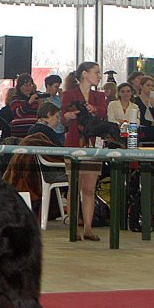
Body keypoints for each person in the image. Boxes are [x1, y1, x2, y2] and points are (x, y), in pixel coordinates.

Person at [60, 61, 106, 241]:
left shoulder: (99, 96)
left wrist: (95, 110)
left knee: (89, 188)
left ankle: (88, 227)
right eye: (97, 72)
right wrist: (68, 116)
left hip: (93, 146)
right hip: (74, 144)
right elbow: (63, 118)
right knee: (74, 186)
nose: (99, 75)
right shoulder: (69, 94)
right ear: (85, 74)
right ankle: (74, 226)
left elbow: (103, 114)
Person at [9, 73, 43, 138]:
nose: (28, 88)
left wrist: (41, 104)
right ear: (20, 86)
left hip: (33, 132)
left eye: (30, 85)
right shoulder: (15, 98)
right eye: (26, 85)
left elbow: (40, 115)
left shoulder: (36, 98)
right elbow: (18, 113)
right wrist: (30, 102)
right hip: (19, 132)